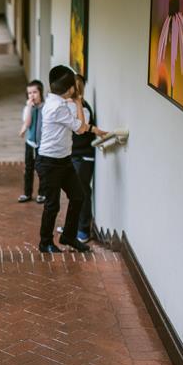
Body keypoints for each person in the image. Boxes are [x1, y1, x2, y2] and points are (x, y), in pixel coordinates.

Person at [35, 65, 90, 253]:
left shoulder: (58, 101)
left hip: (63, 160)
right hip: (49, 163)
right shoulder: (57, 107)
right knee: (52, 205)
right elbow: (81, 128)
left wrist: (74, 101)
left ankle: (68, 236)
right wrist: (79, 101)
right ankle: (45, 242)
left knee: (78, 196)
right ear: (70, 89)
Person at [69, 74, 107, 242]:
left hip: (83, 157)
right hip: (75, 155)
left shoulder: (82, 108)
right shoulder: (72, 105)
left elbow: (81, 128)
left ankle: (83, 230)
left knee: (82, 192)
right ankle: (74, 226)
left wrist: (95, 130)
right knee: (75, 192)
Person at [18, 80, 46, 204]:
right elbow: (28, 123)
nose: (32, 95)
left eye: (35, 92)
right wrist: (29, 107)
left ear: (41, 92)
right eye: (29, 93)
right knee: (29, 168)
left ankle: (42, 193)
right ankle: (27, 193)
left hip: (43, 144)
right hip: (30, 143)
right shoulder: (28, 109)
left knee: (42, 169)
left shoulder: (46, 108)